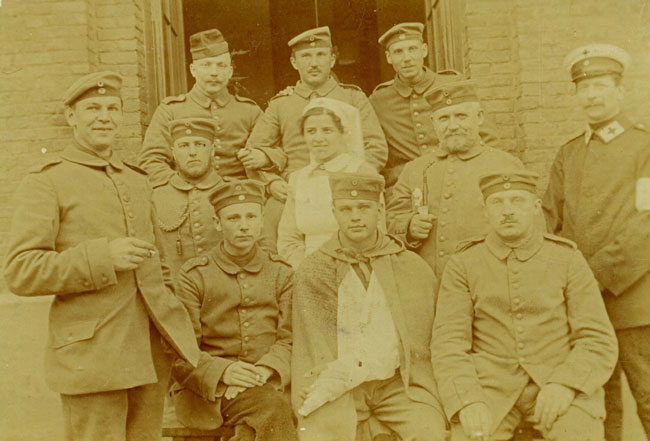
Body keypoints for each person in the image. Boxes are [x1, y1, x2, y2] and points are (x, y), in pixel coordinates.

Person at [3, 71, 200, 441]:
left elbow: (158, 265)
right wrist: (102, 258)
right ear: (70, 116)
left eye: (113, 108)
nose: (104, 117)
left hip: (148, 353)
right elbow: (20, 270)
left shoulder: (137, 179)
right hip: (91, 357)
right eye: (92, 108)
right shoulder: (47, 180)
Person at [432, 170, 618, 441]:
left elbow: (597, 338)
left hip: (558, 382)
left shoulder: (567, 259)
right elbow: (448, 343)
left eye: (517, 201)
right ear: (485, 211)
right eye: (497, 203)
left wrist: (566, 384)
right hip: (489, 390)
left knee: (580, 435)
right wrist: (468, 399)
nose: (507, 211)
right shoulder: (464, 263)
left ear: (534, 208)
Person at [543, 43, 650, 441]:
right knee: (597, 407)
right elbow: (548, 222)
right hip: (582, 306)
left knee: (648, 397)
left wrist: (594, 275)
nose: (591, 95)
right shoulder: (568, 153)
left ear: (620, 90)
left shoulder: (644, 146)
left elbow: (647, 224)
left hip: (635, 302)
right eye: (583, 88)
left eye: (601, 86)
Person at [292, 173, 447, 441]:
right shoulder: (314, 269)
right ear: (334, 213)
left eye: (364, 208)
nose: (355, 217)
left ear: (380, 209)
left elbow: (426, 339)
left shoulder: (410, 265)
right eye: (346, 209)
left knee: (429, 431)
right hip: (339, 385)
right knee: (319, 434)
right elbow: (313, 344)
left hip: (399, 384)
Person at [170, 179, 297, 440]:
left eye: (251, 216)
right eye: (233, 218)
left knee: (271, 410)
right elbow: (180, 350)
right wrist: (224, 373)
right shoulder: (195, 275)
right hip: (209, 391)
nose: (243, 226)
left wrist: (265, 371)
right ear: (217, 223)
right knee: (272, 408)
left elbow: (290, 339)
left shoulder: (281, 272)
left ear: (262, 221)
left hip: (266, 382)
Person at [244, 26, 388, 245]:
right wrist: (271, 183)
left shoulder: (353, 97)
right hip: (294, 190)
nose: (313, 63)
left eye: (320, 54)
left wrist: (351, 179)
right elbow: (252, 153)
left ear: (332, 60)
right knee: (268, 238)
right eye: (305, 56)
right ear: (294, 63)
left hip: (346, 187)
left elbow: (376, 148)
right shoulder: (281, 104)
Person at [387, 80, 522, 278]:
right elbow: (390, 221)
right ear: (433, 123)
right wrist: (409, 226)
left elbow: (528, 231)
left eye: (461, 116)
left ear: (479, 118)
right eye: (443, 118)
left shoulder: (505, 165)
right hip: (431, 284)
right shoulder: (415, 169)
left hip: (490, 281)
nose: (452, 126)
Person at [370, 22, 497, 191]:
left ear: (424, 50)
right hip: (408, 185)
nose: (407, 58)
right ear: (388, 57)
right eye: (398, 52)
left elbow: (488, 137)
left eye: (412, 49)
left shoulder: (452, 84)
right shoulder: (379, 99)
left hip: (458, 177)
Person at [138, 28, 264, 187]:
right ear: (193, 70)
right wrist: (183, 188)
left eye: (221, 65)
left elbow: (271, 153)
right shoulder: (170, 110)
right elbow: (151, 162)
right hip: (188, 195)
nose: (214, 72)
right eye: (206, 65)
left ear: (230, 71)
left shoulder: (250, 111)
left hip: (238, 197)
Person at [277, 98, 380, 269]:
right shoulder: (298, 178)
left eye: (327, 130)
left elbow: (377, 232)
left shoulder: (362, 172)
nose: (318, 138)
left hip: (356, 266)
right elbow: (288, 238)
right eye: (311, 131)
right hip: (307, 269)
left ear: (343, 132)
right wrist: (305, 270)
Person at [152, 118, 223, 285]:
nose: (192, 152)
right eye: (184, 146)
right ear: (174, 153)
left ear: (212, 150)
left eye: (200, 144)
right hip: (175, 297)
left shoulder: (230, 191)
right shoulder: (154, 197)